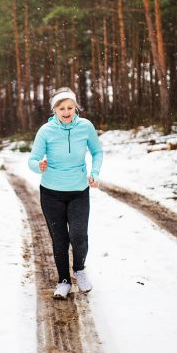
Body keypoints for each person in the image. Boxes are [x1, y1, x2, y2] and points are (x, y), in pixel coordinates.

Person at [28, 87, 104, 299]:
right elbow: (32, 159)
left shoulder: (85, 127)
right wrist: (38, 166)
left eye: (70, 107)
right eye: (61, 108)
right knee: (59, 239)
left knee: (78, 235)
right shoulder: (46, 131)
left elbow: (97, 151)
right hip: (51, 193)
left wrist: (95, 172)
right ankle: (63, 281)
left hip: (78, 191)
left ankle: (79, 270)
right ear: (54, 110)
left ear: (75, 108)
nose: (66, 111)